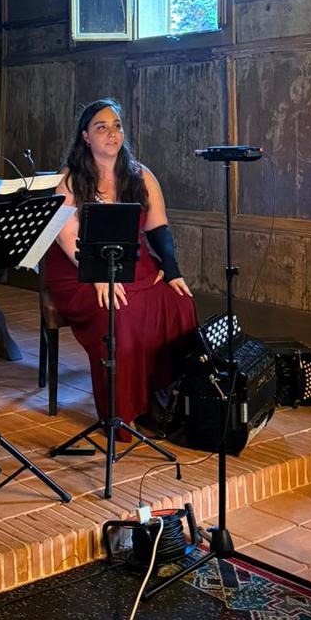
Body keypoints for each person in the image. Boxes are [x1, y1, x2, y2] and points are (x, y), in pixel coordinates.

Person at [44, 98, 197, 432]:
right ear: (86, 136)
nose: (112, 134)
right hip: (79, 268)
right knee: (119, 315)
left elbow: (158, 228)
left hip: (130, 260)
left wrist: (172, 271)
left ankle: (163, 401)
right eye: (101, 128)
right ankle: (122, 410)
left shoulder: (140, 175)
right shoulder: (70, 181)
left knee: (180, 304)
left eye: (117, 126)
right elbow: (67, 238)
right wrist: (98, 275)